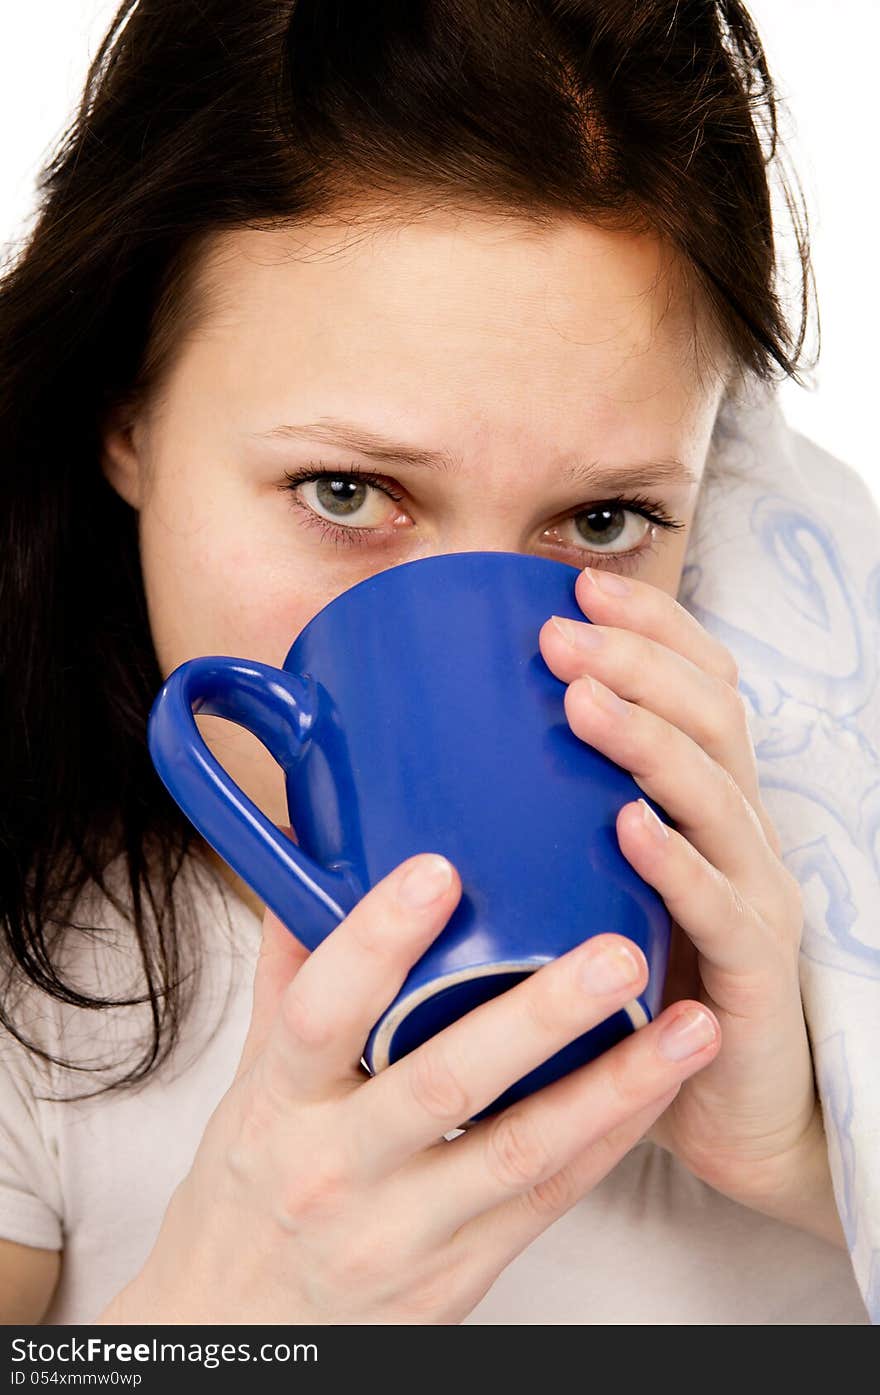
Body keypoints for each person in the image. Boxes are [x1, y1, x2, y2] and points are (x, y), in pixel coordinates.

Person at [0, 0, 870, 1325]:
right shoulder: (36, 997)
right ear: (130, 420)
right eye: (345, 490)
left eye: (603, 521)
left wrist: (819, 1159)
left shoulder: (826, 942)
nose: (480, 621)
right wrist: (215, 1317)